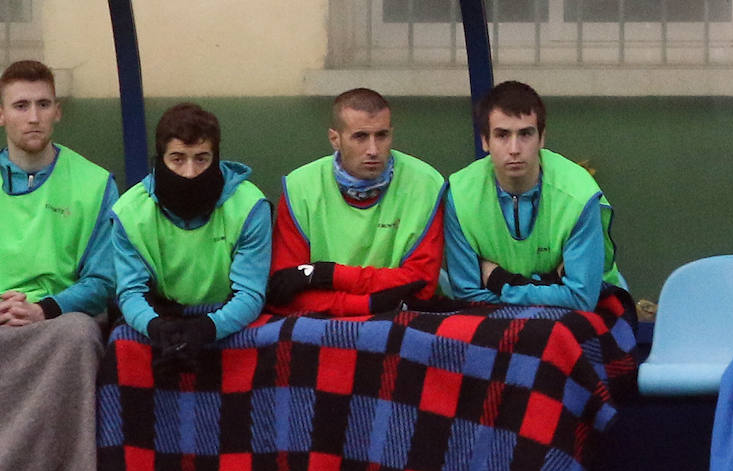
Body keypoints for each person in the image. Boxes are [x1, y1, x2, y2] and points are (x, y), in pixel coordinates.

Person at [0, 59, 117, 471]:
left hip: (55, 327)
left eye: (42, 104)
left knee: (81, 338)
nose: (32, 116)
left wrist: (47, 309)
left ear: (57, 112)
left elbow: (103, 278)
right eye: (20, 105)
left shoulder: (95, 183)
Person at [111, 102, 270, 375]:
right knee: (121, 346)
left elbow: (251, 293)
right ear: (159, 159)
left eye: (201, 158)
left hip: (229, 316)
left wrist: (207, 328)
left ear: (216, 158)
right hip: (159, 315)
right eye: (177, 158)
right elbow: (130, 293)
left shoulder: (250, 205)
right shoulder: (129, 213)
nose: (189, 172)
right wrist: (155, 327)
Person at [444, 80, 624, 309]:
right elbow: (468, 296)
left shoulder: (579, 194)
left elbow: (581, 300)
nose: (514, 149)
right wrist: (551, 284)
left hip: (593, 313)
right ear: (484, 141)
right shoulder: (459, 195)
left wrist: (499, 280)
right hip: (497, 322)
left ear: (542, 138)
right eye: (502, 135)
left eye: (525, 134)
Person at [266, 87, 445, 316]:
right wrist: (370, 305)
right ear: (335, 139)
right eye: (360, 136)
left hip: (403, 318)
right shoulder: (299, 188)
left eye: (382, 135)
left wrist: (327, 275)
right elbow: (282, 292)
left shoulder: (426, 184)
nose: (373, 150)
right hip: (366, 314)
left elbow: (421, 284)